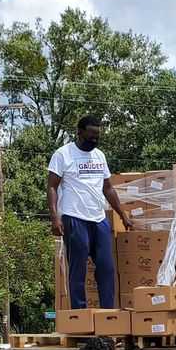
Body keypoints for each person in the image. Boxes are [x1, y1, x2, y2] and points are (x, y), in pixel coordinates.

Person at [47, 114, 135, 310]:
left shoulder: (99, 156)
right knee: (78, 270)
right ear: (79, 133)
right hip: (74, 217)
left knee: (106, 268)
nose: (94, 140)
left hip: (98, 218)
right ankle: (79, 315)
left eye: (97, 137)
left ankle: (108, 314)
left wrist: (122, 215)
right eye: (90, 136)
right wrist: (55, 218)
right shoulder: (63, 154)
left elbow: (108, 188)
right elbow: (52, 186)